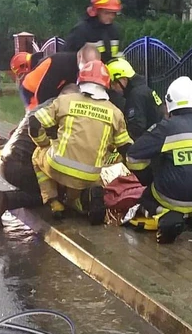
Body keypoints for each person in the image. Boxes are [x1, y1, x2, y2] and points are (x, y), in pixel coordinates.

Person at [29, 60, 133, 222]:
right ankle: (80, 200)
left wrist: (43, 144)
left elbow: (34, 123)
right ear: (105, 84)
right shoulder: (115, 112)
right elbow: (125, 147)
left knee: (37, 155)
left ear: (80, 81)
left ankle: (53, 201)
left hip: (57, 165)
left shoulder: (65, 101)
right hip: (91, 174)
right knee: (88, 178)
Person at [126, 76, 192, 244]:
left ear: (170, 102)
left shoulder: (165, 127)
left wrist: (149, 178)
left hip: (172, 195)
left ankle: (167, 215)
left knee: (147, 197)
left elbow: (133, 155)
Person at [0, 83, 83, 223]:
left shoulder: (45, 106)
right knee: (55, 195)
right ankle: (5, 200)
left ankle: (11, 196)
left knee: (44, 185)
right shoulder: (60, 113)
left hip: (6, 161)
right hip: (21, 166)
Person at [20, 43, 100, 111]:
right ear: (79, 57)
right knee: (36, 119)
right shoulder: (60, 65)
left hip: (54, 90)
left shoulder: (78, 67)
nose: (89, 68)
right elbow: (42, 94)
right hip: (31, 90)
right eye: (87, 64)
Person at [106, 58, 163, 141]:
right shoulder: (142, 90)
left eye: (114, 83)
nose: (113, 88)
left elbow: (136, 130)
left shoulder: (135, 96)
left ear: (124, 79)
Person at [65, 0, 124, 64]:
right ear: (96, 11)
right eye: (107, 13)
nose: (111, 16)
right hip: (85, 74)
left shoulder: (115, 30)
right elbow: (68, 59)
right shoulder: (80, 31)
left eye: (114, 13)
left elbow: (119, 59)